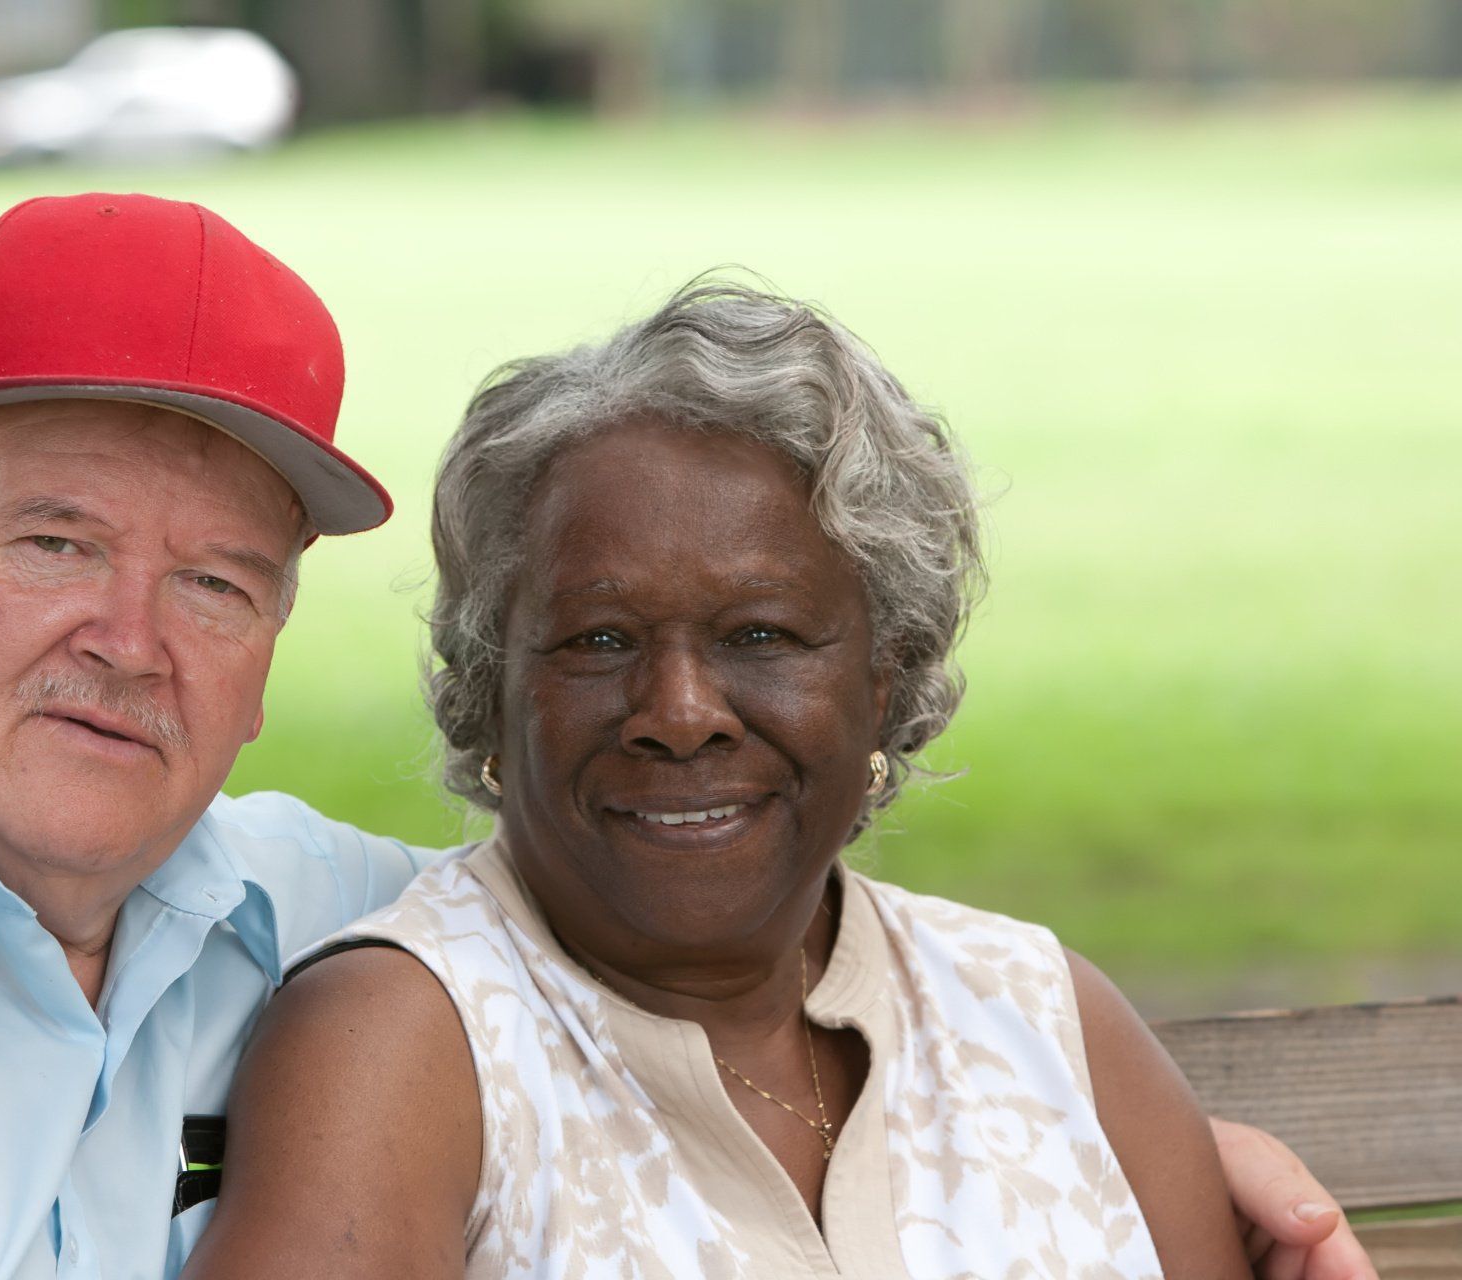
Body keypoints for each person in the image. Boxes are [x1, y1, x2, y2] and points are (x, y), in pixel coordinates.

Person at [0, 196, 1369, 1279]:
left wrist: (1136, 1122)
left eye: (219, 583)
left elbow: (665, 899)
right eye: (55, 543)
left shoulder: (260, 892)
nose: (130, 643)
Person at [182, 281, 1369, 1279]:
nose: (680, 712)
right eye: (598, 639)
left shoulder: (1040, 1014)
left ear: (885, 678)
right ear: (492, 688)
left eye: (761, 634)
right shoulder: (408, 1043)